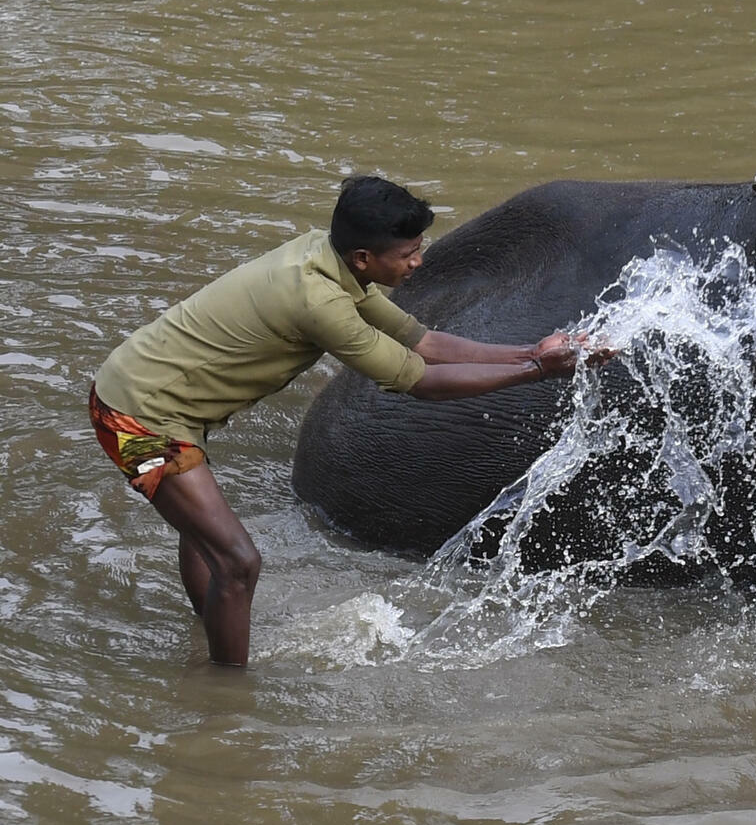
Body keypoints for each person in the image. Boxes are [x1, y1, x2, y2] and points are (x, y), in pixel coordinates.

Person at [89, 175, 582, 667]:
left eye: (419, 248)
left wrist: (530, 352)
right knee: (239, 562)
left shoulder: (328, 260)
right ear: (364, 257)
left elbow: (425, 342)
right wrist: (536, 372)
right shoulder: (318, 301)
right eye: (407, 253)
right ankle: (227, 697)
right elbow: (419, 380)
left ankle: (214, 631)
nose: (419, 262)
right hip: (135, 417)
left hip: (152, 394)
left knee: (211, 545)